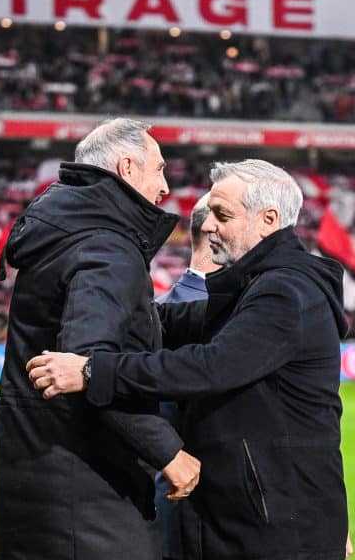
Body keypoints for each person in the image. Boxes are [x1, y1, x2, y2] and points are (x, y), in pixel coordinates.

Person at [28, 159, 349, 560]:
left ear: (268, 219)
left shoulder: (284, 292)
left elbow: (209, 366)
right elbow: (170, 323)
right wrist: (111, 314)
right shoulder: (257, 287)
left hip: (281, 527)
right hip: (259, 517)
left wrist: (94, 371)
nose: (207, 225)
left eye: (222, 214)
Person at [0, 118, 201, 560]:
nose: (165, 187)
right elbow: (87, 366)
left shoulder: (61, 232)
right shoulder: (108, 246)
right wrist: (168, 452)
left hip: (29, 479)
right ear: (126, 168)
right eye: (158, 169)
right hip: (86, 498)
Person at [154, 193, 219, 560]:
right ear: (215, 231)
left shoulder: (160, 312)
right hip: (203, 507)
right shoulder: (232, 318)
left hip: (167, 505)